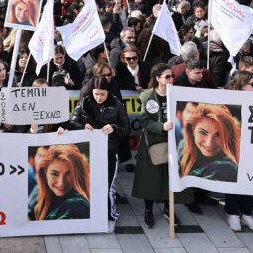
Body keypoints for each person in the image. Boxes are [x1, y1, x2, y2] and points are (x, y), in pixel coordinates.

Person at [132, 63, 192, 228]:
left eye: (172, 76)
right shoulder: (147, 97)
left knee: (170, 177)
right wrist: (161, 127)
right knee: (150, 179)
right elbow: (144, 121)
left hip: (174, 143)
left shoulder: (178, 94)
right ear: (157, 78)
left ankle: (168, 208)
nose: (171, 79)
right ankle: (148, 210)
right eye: (167, 76)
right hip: (153, 144)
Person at [65, 76, 130, 230]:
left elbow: (127, 129)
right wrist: (83, 126)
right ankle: (89, 214)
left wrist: (114, 128)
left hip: (109, 150)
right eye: (96, 94)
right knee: (87, 184)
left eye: (102, 94)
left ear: (108, 92)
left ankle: (110, 215)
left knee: (108, 185)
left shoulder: (117, 105)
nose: (99, 97)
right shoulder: (84, 103)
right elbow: (72, 122)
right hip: (87, 151)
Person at [221, 73, 253, 232]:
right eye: (252, 84)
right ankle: (232, 213)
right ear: (242, 85)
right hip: (234, 146)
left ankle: (247, 213)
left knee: (250, 179)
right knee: (234, 178)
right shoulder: (229, 99)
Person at [27, 143, 91, 221]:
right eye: (55, 174)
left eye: (68, 174)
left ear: (78, 175)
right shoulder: (46, 200)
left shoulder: (78, 205)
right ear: (45, 173)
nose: (61, 183)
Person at [178, 103, 240, 182]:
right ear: (193, 130)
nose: (209, 143)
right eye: (203, 133)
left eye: (218, 135)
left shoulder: (226, 168)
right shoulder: (187, 156)